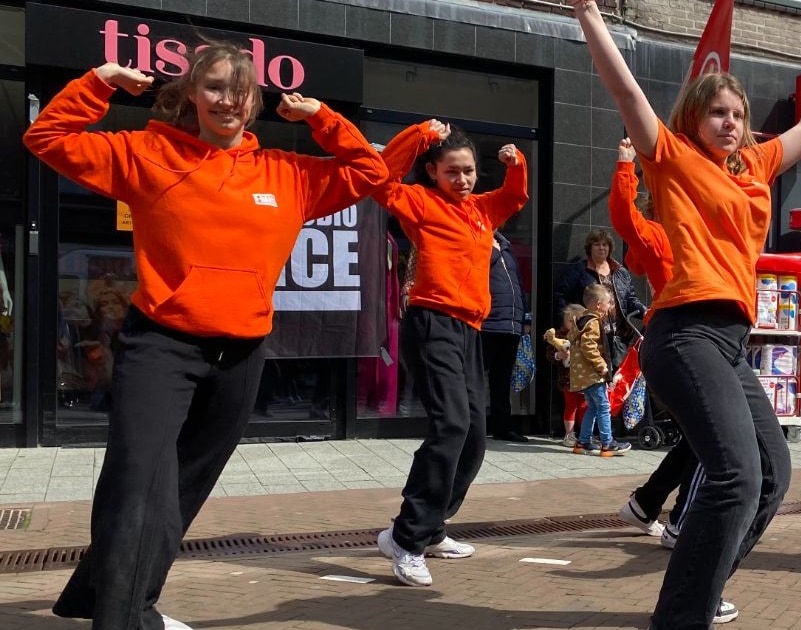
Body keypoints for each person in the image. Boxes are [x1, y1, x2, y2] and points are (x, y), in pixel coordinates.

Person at [25, 43, 387, 630]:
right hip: (162, 344)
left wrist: (321, 117)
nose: (229, 100)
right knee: (140, 479)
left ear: (257, 102)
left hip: (241, 352)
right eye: (215, 86)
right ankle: (126, 616)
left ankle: (98, 591)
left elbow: (372, 172)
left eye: (241, 90)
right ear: (192, 93)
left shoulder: (286, 173)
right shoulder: (148, 152)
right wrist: (100, 79)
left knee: (183, 487)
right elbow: (46, 138)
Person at [573, 1, 801, 625]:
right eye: (717, 113)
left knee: (772, 473)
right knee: (735, 476)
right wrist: (589, 12)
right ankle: (682, 614)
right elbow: (624, 87)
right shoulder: (670, 157)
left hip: (727, 341)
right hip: (684, 333)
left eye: (738, 114)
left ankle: (700, 589)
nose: (729, 122)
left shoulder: (754, 165)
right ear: (694, 118)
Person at [371, 120, 528, 588]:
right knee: (451, 425)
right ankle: (405, 538)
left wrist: (516, 165)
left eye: (469, 171)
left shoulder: (481, 210)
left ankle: (433, 525)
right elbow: (380, 178)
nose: (463, 180)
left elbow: (515, 197)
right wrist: (419, 134)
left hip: (469, 329)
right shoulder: (419, 203)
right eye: (453, 172)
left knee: (475, 436)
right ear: (433, 173)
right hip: (432, 322)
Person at [607, 138, 698, 549]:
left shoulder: (685, 233)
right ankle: (681, 521)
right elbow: (627, 221)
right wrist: (626, 167)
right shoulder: (659, 236)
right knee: (715, 436)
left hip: (688, 339)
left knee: (703, 437)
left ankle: (648, 504)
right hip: (680, 340)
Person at [553, 228, 646, 371]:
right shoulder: (579, 270)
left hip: (619, 336)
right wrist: (570, 320)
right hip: (592, 336)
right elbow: (560, 294)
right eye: (597, 244)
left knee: (618, 380)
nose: (602, 247)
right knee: (597, 378)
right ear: (589, 248)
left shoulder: (620, 271)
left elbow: (631, 300)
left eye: (605, 244)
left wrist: (647, 313)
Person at [568, 284, 632, 456]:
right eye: (608, 302)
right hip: (592, 375)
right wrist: (602, 366)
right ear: (598, 304)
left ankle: (583, 442)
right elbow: (589, 346)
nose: (610, 306)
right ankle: (607, 442)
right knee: (604, 407)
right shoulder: (593, 322)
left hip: (583, 375)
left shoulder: (581, 320)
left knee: (593, 408)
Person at [482, 230, 532, 442]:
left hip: (511, 323)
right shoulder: (479, 242)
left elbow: (519, 284)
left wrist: (526, 317)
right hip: (488, 322)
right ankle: (469, 426)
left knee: (501, 379)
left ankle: (502, 427)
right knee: (475, 377)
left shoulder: (507, 246)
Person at [546, 304, 588, 446]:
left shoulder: (585, 335)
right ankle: (569, 434)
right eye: (569, 321)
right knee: (571, 406)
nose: (573, 324)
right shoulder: (559, 335)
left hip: (584, 379)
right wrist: (559, 355)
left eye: (576, 321)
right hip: (567, 379)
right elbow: (550, 354)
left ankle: (585, 434)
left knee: (584, 406)